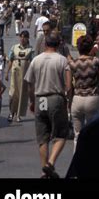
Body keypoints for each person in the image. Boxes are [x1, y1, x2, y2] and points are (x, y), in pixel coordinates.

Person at [24, 33, 72, 178]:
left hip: (40, 99)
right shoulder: (62, 60)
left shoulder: (36, 60)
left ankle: (44, 169)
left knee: (42, 137)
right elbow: (68, 86)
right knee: (60, 135)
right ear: (58, 45)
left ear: (45, 44)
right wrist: (67, 100)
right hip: (56, 98)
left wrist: (32, 101)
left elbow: (30, 84)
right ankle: (50, 163)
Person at [69, 35, 99, 148]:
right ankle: (92, 161)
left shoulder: (73, 63)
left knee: (77, 135)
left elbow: (69, 85)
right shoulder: (95, 61)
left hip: (77, 98)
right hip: (92, 97)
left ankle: (77, 161)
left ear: (78, 48)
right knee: (92, 133)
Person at [6, 30, 34, 122]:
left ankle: (18, 114)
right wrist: (7, 72)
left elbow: (33, 62)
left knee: (22, 94)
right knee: (13, 93)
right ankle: (11, 113)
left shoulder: (30, 49)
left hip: (24, 74)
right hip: (14, 73)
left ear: (27, 38)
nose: (22, 39)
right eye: (21, 37)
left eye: (24, 37)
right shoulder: (14, 47)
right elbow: (10, 59)